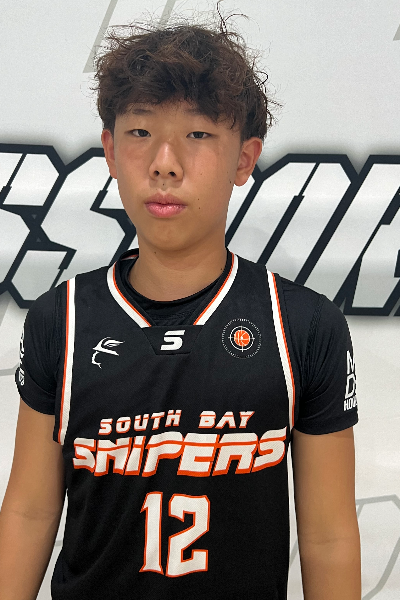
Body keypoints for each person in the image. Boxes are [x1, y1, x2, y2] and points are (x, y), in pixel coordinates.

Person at [0, 14, 361, 600]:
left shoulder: (304, 325)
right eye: (141, 132)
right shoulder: (59, 320)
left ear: (244, 159)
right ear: (110, 150)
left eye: (197, 134)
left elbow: (329, 537)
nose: (164, 162)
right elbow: (28, 512)